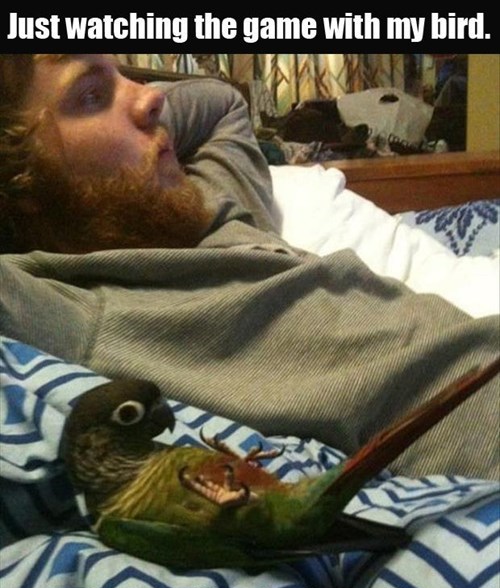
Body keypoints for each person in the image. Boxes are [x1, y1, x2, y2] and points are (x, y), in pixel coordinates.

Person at [0, 54, 499, 480]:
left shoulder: (208, 205)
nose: (151, 98)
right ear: (22, 184)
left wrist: (113, 98)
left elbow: (222, 103)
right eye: (91, 96)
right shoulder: (75, 308)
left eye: (126, 75)